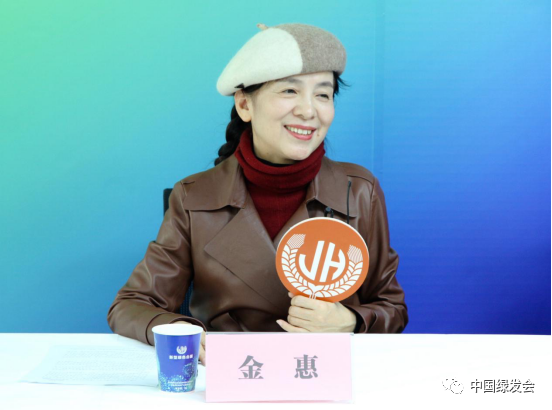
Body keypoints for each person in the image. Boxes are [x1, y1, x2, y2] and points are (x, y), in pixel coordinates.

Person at [107, 23, 408, 366]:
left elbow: (392, 309)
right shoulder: (193, 196)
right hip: (231, 373)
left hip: (323, 373)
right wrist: (178, 329)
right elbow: (130, 305)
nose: (309, 111)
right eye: (290, 91)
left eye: (323, 95)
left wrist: (351, 322)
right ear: (244, 105)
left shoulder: (359, 190)